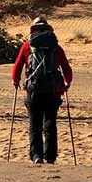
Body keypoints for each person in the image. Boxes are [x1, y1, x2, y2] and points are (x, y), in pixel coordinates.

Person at [11, 17, 73, 164]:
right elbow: (67, 71)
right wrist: (66, 84)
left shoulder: (27, 46)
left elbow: (17, 68)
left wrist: (15, 81)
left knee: (34, 125)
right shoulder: (56, 48)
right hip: (53, 91)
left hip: (33, 90)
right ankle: (50, 156)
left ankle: (36, 155)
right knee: (50, 124)